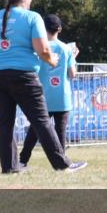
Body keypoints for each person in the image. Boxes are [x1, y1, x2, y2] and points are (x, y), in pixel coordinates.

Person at [0, 0, 86, 174]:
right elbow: (42, 49)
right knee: (41, 120)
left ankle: (10, 167)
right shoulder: (32, 17)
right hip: (23, 75)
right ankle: (62, 164)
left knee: (5, 122)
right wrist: (53, 61)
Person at [37, 14, 78, 150]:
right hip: (62, 97)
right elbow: (73, 74)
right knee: (60, 131)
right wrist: (74, 57)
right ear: (59, 29)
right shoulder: (66, 49)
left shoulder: (39, 49)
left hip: (43, 97)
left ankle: (23, 158)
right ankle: (62, 160)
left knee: (35, 130)